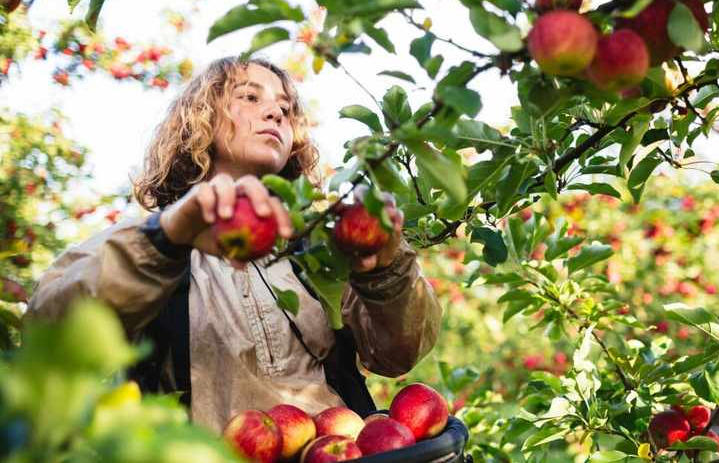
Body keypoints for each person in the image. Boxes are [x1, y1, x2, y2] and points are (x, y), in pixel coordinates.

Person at [25, 57, 442, 433]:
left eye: (285, 106)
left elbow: (398, 355)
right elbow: (52, 331)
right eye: (249, 96)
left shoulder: (317, 250)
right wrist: (168, 241)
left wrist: (385, 270)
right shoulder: (149, 241)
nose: (276, 111)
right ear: (202, 119)